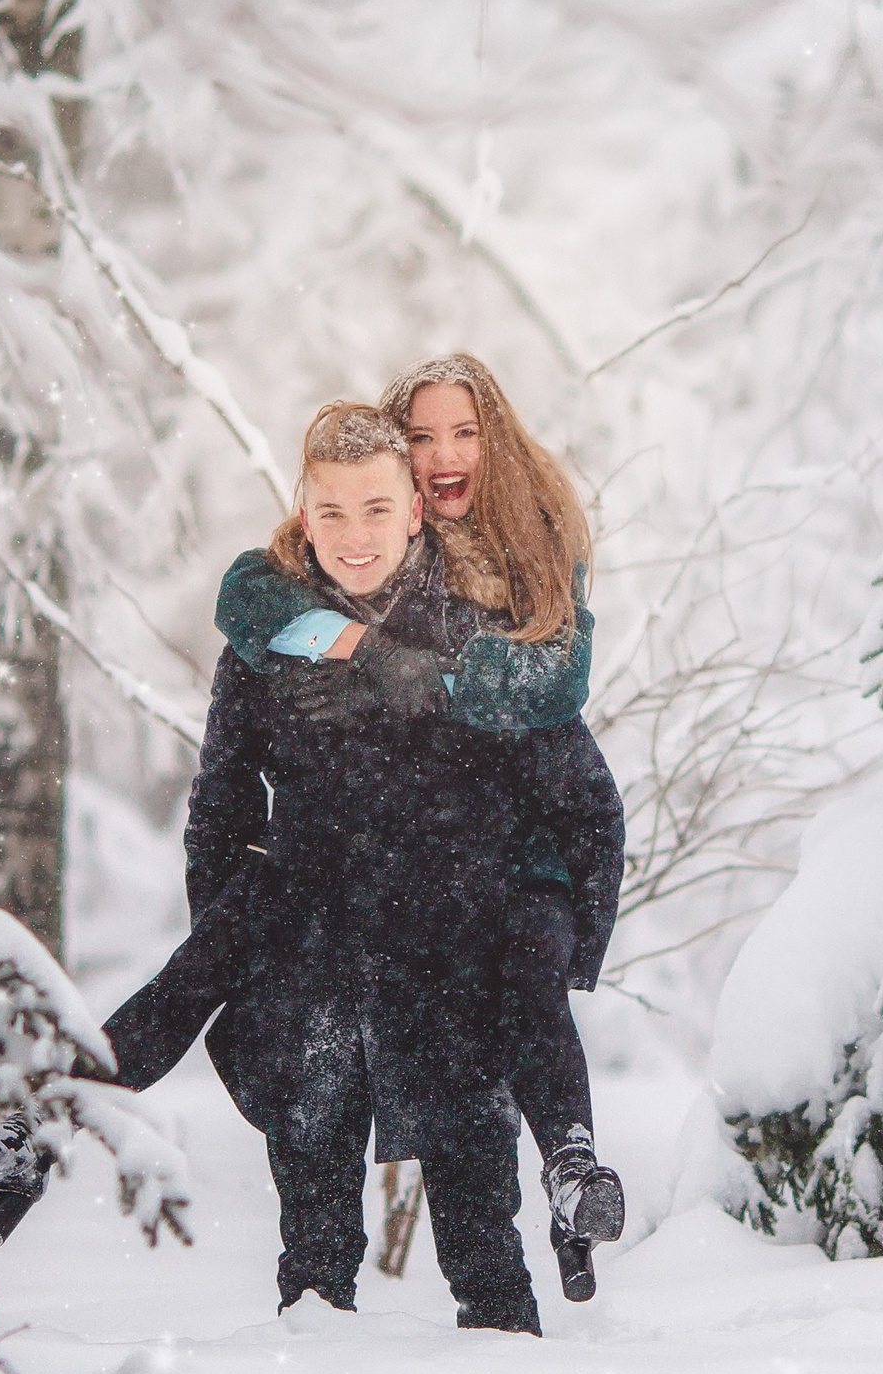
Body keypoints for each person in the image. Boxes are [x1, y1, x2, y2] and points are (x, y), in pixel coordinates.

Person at [0, 403, 623, 1332]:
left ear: (417, 511)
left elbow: (579, 787)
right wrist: (224, 914)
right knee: (271, 1114)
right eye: (332, 513)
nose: (354, 536)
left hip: (452, 924)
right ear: (304, 514)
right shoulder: (271, 641)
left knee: (477, 1204)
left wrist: (563, 934)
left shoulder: (478, 639)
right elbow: (219, 801)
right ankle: (36, 1123)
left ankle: (506, 1356)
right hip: (304, 907)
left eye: (378, 510)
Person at [209, 354, 623, 1299]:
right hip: (392, 892)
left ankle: (569, 1171)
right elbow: (248, 591)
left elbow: (555, 699)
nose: (444, 455)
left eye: (464, 432)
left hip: (515, 858)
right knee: (326, 1129)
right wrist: (353, 639)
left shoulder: (530, 551)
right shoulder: (354, 554)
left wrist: (429, 676)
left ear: (497, 441)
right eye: (424, 435)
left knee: (520, 1005)